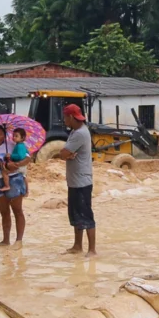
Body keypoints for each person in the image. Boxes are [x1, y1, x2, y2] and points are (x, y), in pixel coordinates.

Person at [0, 124, 30, 247]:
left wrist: (18, 164)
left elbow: (27, 157)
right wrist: (5, 165)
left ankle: (19, 240)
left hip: (14, 179)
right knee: (4, 213)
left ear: (4, 135)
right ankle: (6, 240)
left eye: (0, 134)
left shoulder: (12, 145)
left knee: (17, 210)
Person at [59, 104, 96, 257]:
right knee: (76, 215)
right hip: (75, 181)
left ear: (71, 117)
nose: (64, 120)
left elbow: (63, 153)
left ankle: (92, 250)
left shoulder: (79, 133)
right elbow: (66, 153)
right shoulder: (76, 131)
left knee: (86, 215)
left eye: (65, 117)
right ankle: (77, 246)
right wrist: (67, 153)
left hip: (81, 182)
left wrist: (66, 154)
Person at [0, 127, 29, 193]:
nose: (14, 137)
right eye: (13, 136)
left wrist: (11, 155)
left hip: (19, 166)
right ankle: (27, 191)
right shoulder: (22, 145)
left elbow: (20, 156)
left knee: (4, 172)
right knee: (24, 177)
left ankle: (7, 186)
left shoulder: (19, 146)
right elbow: (27, 153)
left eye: (16, 136)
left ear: (22, 138)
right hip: (23, 167)